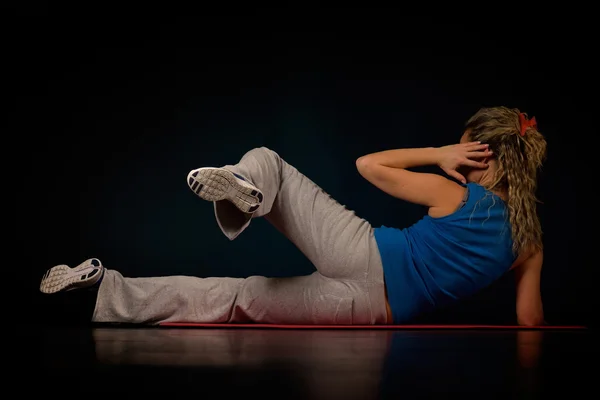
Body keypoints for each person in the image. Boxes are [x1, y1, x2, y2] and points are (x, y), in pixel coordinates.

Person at [39, 106, 547, 326]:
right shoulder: (530, 243)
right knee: (236, 297)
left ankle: (247, 190)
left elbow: (368, 165)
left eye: (461, 146)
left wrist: (437, 153)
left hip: (362, 251)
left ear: (477, 151)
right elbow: (529, 321)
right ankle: (106, 289)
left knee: (269, 162)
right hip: (372, 312)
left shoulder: (454, 192)